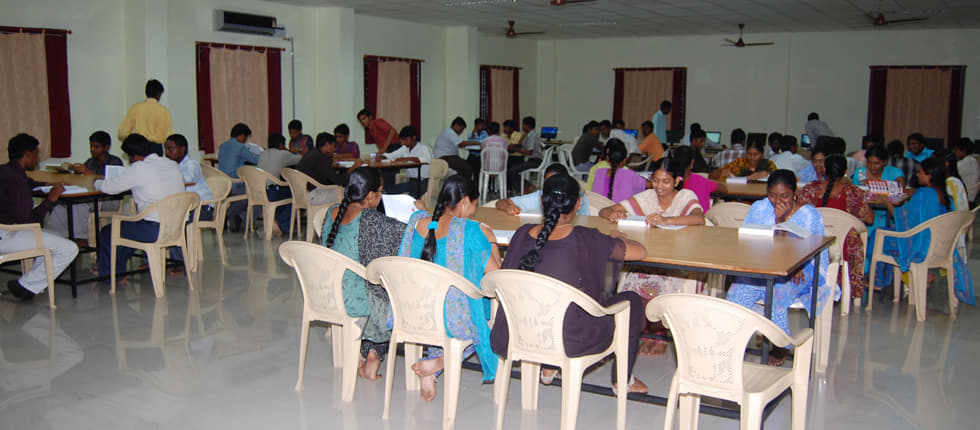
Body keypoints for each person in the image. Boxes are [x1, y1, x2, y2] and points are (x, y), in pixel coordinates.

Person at [490, 174, 649, 393]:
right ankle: (623, 381)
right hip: (570, 337)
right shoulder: (587, 238)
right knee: (631, 300)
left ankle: (548, 367)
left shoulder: (521, 234)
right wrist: (619, 238)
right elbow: (641, 252)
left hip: (521, 329)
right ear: (579, 203)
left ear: (541, 201)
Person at [398, 175, 501, 400]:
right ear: (464, 201)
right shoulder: (472, 230)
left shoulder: (420, 222)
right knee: (488, 315)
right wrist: (491, 239)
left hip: (414, 309)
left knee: (451, 302)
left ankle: (432, 371)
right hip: (450, 317)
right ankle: (439, 362)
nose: (474, 212)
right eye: (474, 206)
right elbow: (495, 277)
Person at [726, 170, 833, 365]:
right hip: (764, 265)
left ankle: (779, 343)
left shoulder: (809, 215)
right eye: (772, 195)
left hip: (801, 269)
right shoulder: (759, 208)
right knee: (738, 292)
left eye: (784, 196)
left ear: (794, 194)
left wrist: (781, 221)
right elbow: (750, 240)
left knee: (776, 291)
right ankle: (732, 342)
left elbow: (814, 249)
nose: (777, 201)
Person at [321, 167, 405, 381]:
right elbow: (410, 238)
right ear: (370, 196)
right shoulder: (371, 220)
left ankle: (364, 352)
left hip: (329, 291)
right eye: (380, 193)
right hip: (355, 299)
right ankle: (374, 353)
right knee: (393, 291)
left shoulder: (332, 212)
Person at [872, 158, 975, 311]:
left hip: (922, 247)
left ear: (930, 176)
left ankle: (878, 281)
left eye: (920, 172)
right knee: (890, 232)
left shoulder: (924, 193)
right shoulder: (942, 192)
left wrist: (886, 202)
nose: (918, 175)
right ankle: (922, 275)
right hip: (941, 246)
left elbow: (901, 217)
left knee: (878, 234)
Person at [0, 134, 78, 301]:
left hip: (5, 230)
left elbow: (29, 183)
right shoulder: (17, 180)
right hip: (8, 235)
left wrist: (46, 186)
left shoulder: (7, 171)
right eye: (36, 153)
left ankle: (30, 284)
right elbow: (29, 222)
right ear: (27, 154)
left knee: (56, 238)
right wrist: (51, 199)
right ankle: (26, 286)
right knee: (69, 248)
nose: (37, 158)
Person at [97, 134, 185, 278]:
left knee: (109, 231)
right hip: (176, 227)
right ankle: (117, 271)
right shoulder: (171, 164)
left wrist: (96, 182)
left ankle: (111, 277)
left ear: (134, 156)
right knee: (126, 230)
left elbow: (109, 188)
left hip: (153, 229)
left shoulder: (139, 168)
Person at [798, 155, 873, 301]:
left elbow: (800, 215)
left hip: (814, 243)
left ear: (824, 168)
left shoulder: (810, 189)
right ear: (845, 171)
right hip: (844, 245)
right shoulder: (854, 192)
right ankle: (848, 291)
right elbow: (870, 219)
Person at [49, 131, 124, 246]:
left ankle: (81, 238)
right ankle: (60, 238)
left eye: (96, 147)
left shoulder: (115, 161)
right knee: (58, 204)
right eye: (91, 146)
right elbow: (83, 181)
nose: (92, 149)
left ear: (106, 147)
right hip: (89, 197)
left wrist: (88, 173)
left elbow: (113, 182)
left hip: (109, 200)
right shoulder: (90, 162)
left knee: (78, 203)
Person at [295, 132, 364, 205]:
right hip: (312, 196)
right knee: (349, 192)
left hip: (299, 195)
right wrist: (354, 167)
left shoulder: (312, 154)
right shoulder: (323, 158)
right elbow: (340, 181)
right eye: (334, 146)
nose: (334, 149)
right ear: (327, 144)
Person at [495, 164, 590, 216]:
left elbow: (587, 221)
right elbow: (500, 202)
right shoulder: (540, 196)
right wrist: (508, 207)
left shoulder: (577, 198)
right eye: (547, 182)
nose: (550, 186)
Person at [217, 123, 259, 230]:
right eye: (245, 137)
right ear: (241, 136)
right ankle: (241, 218)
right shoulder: (240, 147)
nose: (245, 140)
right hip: (235, 183)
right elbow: (255, 160)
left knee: (240, 197)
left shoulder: (222, 146)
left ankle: (232, 216)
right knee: (257, 194)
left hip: (222, 183)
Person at [257, 133, 300, 236]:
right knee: (294, 196)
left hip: (258, 191)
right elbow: (299, 159)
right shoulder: (283, 154)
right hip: (272, 192)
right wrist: (291, 151)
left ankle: (274, 219)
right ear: (281, 145)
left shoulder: (262, 153)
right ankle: (281, 225)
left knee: (285, 192)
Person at [164, 134, 214, 220]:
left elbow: (187, 180)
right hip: (186, 206)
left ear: (182, 150)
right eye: (165, 149)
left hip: (202, 207)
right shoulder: (171, 165)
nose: (167, 153)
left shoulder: (192, 164)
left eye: (171, 149)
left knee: (177, 220)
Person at [117, 79, 173, 155]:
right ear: (159, 94)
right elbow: (169, 136)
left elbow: (122, 132)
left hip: (139, 147)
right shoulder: (164, 111)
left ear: (146, 92)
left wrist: (132, 140)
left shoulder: (136, 108)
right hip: (156, 148)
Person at [383, 126, 432, 198]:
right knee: (392, 189)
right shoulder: (404, 148)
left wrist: (409, 159)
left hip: (423, 181)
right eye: (402, 140)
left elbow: (428, 159)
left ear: (414, 138)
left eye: (406, 140)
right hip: (411, 180)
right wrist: (382, 156)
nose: (404, 143)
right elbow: (392, 155)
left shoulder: (423, 148)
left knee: (400, 190)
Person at [671, 145, 723, 211]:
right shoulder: (701, 181)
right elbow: (724, 189)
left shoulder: (668, 183)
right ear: (692, 163)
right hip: (702, 220)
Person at [433, 116, 481, 181]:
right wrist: (477, 143)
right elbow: (461, 143)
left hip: (449, 156)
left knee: (468, 164)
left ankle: (462, 185)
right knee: (467, 168)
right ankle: (465, 187)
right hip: (445, 157)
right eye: (461, 129)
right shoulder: (449, 132)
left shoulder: (449, 132)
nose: (461, 132)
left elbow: (460, 144)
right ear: (456, 125)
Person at [507, 116, 544, 194]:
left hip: (535, 161)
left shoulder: (532, 136)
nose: (522, 127)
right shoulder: (528, 135)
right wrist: (521, 138)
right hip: (530, 159)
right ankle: (525, 187)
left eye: (523, 125)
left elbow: (529, 152)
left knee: (512, 170)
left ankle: (525, 188)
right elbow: (520, 145)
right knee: (512, 168)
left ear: (528, 126)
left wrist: (517, 150)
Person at [709, 138, 777, 180]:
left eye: (756, 154)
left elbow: (779, 178)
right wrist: (720, 172)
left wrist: (767, 174)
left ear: (762, 155)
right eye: (749, 154)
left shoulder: (768, 164)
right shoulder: (739, 163)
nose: (752, 157)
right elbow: (711, 175)